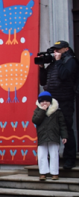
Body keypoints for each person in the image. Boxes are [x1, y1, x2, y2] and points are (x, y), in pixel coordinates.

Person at [38, 41, 77, 169]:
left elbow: (64, 75)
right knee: (51, 128)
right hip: (52, 100)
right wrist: (42, 68)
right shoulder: (54, 64)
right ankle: (53, 159)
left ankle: (69, 158)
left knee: (66, 129)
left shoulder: (71, 61)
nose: (56, 52)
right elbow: (43, 81)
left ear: (66, 49)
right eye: (55, 50)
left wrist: (59, 61)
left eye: (58, 50)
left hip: (65, 100)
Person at [33, 91, 68, 181]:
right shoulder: (38, 110)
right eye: (42, 101)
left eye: (46, 101)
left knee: (54, 155)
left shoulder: (57, 112)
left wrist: (64, 136)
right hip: (42, 137)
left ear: (50, 102)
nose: (44, 103)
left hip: (54, 136)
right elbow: (35, 120)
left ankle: (54, 173)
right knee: (42, 155)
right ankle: (43, 173)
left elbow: (62, 125)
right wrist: (42, 111)